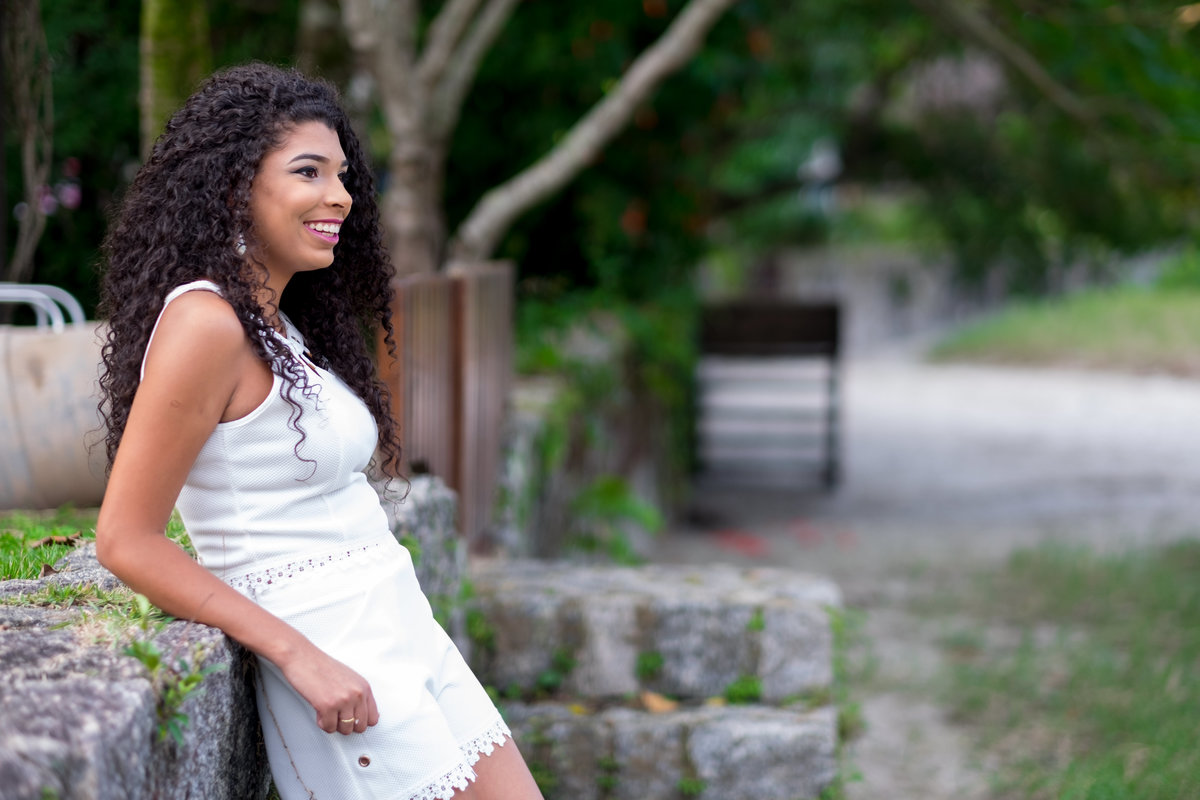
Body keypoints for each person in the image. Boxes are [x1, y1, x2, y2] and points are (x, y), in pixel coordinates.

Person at [95, 63, 543, 800]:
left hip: (402, 627)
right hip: (334, 655)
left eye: (341, 174)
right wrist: (296, 656)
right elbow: (125, 539)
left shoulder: (283, 323)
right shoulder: (206, 324)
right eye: (309, 171)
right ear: (234, 184)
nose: (339, 195)